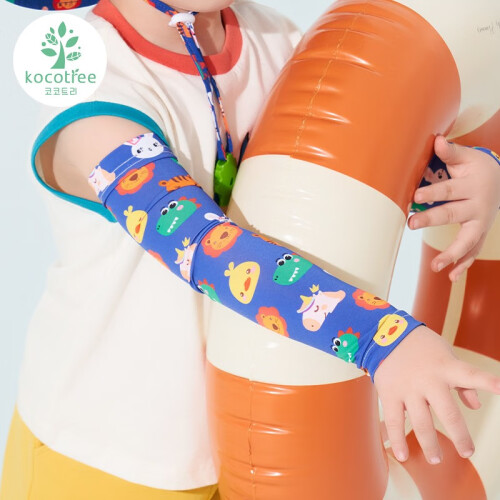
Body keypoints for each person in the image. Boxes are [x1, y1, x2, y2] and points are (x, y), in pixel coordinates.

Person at [1, 1, 500, 499]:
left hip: (242, 443)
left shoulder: (276, 39)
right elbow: (201, 246)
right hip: (105, 454)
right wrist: (381, 338)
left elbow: (346, 185)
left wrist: (465, 175)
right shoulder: (90, 92)